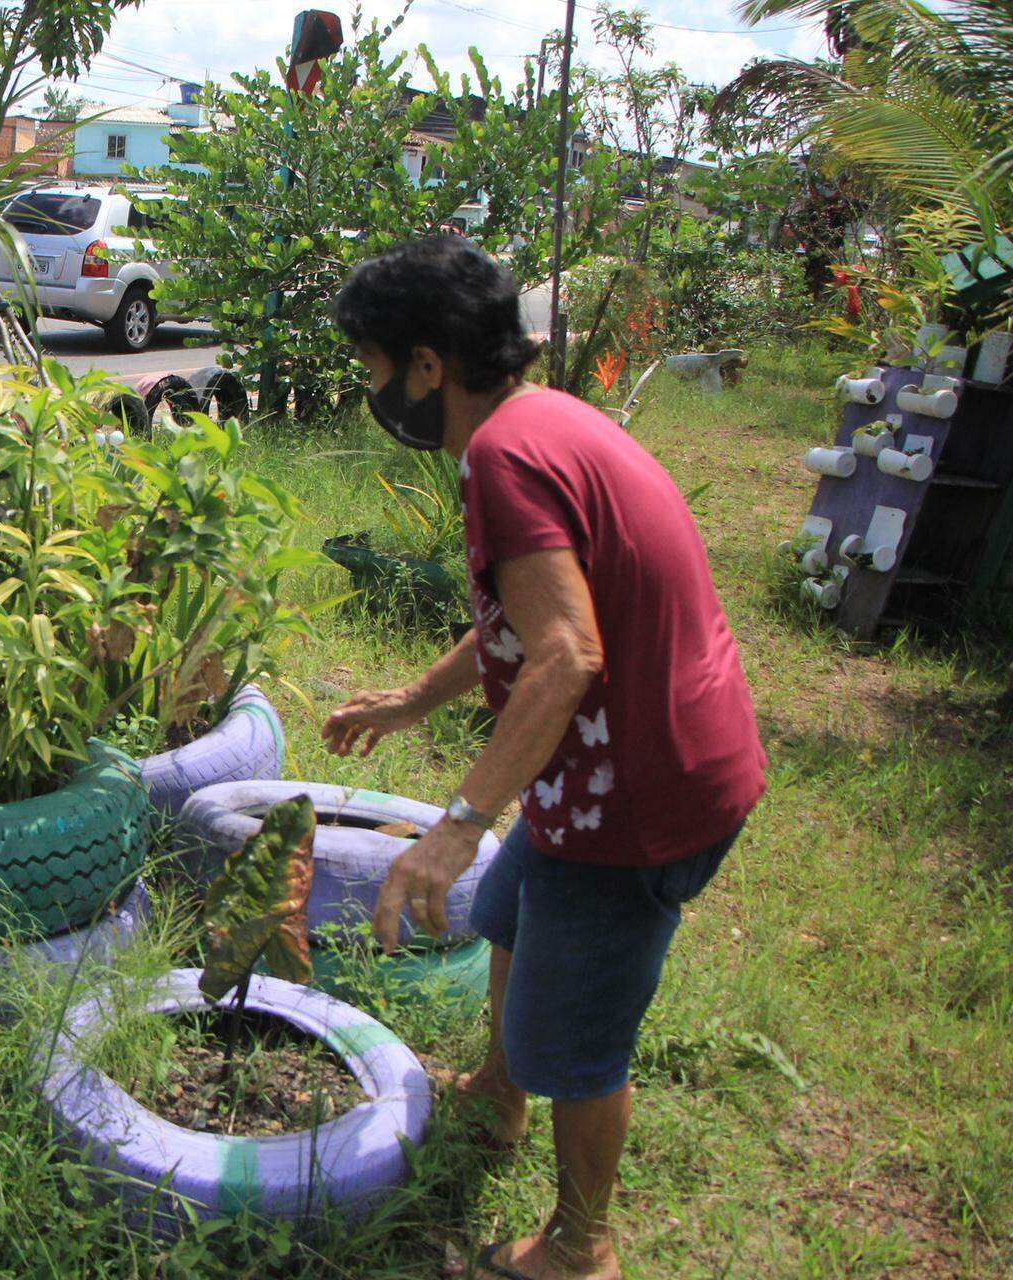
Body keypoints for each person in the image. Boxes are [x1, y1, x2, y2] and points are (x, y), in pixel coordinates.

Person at [322, 237, 765, 1280]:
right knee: (510, 909)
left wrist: (458, 822)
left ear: (429, 365)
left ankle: (579, 1245)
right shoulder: (545, 417)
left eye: (377, 368)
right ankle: (498, 1095)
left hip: (642, 796)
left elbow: (566, 651)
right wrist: (409, 698)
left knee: (580, 1032)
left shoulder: (504, 457)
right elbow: (534, 614)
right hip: (626, 764)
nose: (373, 390)